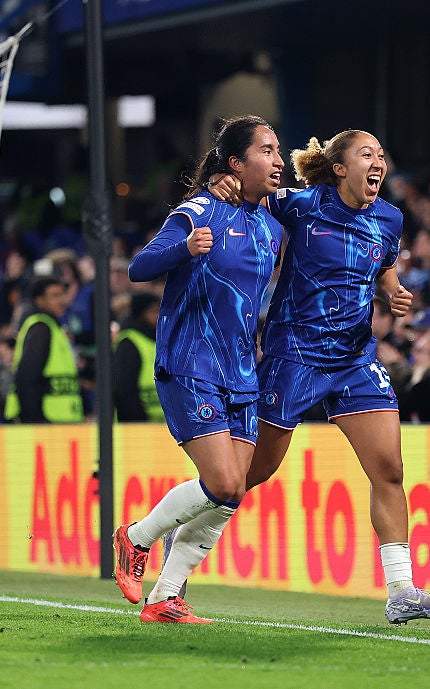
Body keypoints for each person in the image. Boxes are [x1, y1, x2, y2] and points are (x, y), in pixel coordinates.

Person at [208, 129, 430, 624]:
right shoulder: (299, 206)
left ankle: (402, 589)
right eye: (367, 154)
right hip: (293, 355)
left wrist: (394, 290)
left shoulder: (389, 217)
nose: (378, 163)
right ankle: (189, 528)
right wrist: (223, 183)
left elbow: (382, 265)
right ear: (340, 167)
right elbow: (251, 194)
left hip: (355, 358)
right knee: (250, 474)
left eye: (382, 156)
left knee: (388, 469)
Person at [112, 115, 284, 624]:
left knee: (231, 494)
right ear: (236, 162)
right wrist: (184, 248)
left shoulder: (273, 224)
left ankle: (166, 597)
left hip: (241, 370)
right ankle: (136, 537)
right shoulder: (199, 211)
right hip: (191, 362)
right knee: (223, 481)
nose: (277, 161)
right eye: (266, 151)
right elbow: (138, 268)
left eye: (279, 151)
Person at [3, 276, 83, 423]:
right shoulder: (40, 328)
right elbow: (27, 377)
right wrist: (35, 421)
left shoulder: (55, 328)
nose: (62, 300)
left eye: (62, 294)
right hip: (45, 421)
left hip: (60, 419)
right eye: (55, 296)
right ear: (40, 301)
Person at [112, 291, 164, 422]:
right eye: (153, 311)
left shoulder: (160, 340)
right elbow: (125, 389)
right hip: (139, 425)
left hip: (164, 424)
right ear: (141, 314)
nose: (158, 316)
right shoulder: (130, 343)